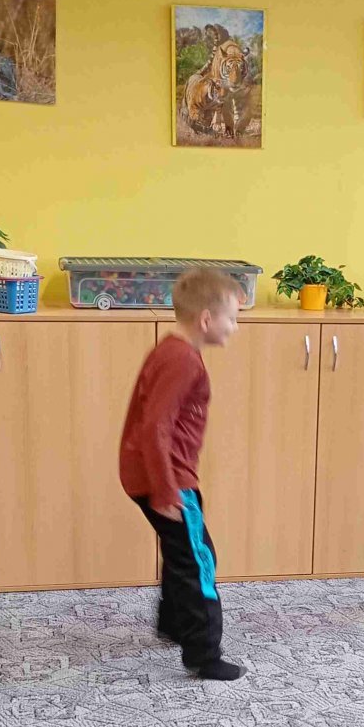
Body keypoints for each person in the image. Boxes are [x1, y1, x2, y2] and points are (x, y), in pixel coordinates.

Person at [120, 266, 244, 681]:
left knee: (181, 552)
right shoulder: (183, 360)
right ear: (206, 319)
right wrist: (165, 489)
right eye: (232, 319)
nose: (235, 327)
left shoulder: (172, 350)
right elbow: (156, 426)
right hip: (168, 479)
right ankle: (204, 653)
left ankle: (173, 623)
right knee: (198, 559)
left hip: (156, 474)